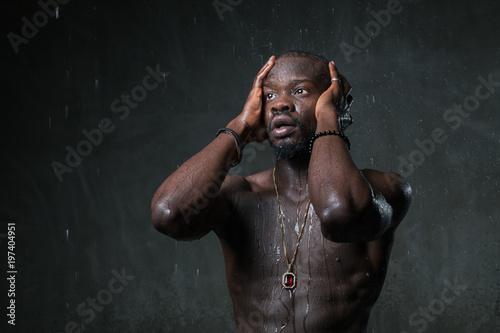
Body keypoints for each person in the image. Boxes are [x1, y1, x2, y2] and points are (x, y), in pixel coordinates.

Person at [151, 50, 412, 332]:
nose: (281, 104)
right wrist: (239, 127)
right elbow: (169, 214)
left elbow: (339, 213)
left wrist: (328, 117)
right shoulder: (239, 196)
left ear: (336, 102)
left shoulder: (382, 189)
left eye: (300, 91)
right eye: (270, 96)